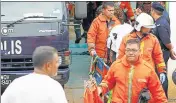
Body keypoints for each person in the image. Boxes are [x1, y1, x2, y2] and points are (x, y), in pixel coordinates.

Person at [97, 39, 167, 103]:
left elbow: (158, 92)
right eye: (128, 50)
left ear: (139, 51)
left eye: (134, 50)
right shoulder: (116, 66)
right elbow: (108, 82)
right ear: (125, 51)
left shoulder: (148, 69)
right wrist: (100, 89)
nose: (130, 53)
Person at [118, 13, 167, 93]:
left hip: (147, 76)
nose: (150, 29)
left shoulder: (153, 39)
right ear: (140, 26)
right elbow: (120, 56)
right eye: (148, 27)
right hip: (130, 75)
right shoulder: (126, 39)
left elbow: (158, 57)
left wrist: (162, 71)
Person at [1, 46, 68, 103]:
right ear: (48, 66)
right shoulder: (55, 87)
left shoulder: (16, 83)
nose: (58, 65)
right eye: (56, 62)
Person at [87, 2, 120, 77]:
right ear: (103, 10)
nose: (112, 12)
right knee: (98, 77)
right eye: (109, 10)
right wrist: (92, 49)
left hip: (113, 56)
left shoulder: (117, 22)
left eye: (112, 10)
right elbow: (91, 36)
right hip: (99, 56)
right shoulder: (96, 22)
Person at [150, 2, 176, 97]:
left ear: (153, 11)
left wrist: (171, 49)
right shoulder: (161, 20)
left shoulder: (160, 24)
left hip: (162, 53)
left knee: (161, 75)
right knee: (161, 74)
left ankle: (162, 97)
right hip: (163, 52)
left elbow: (166, 41)